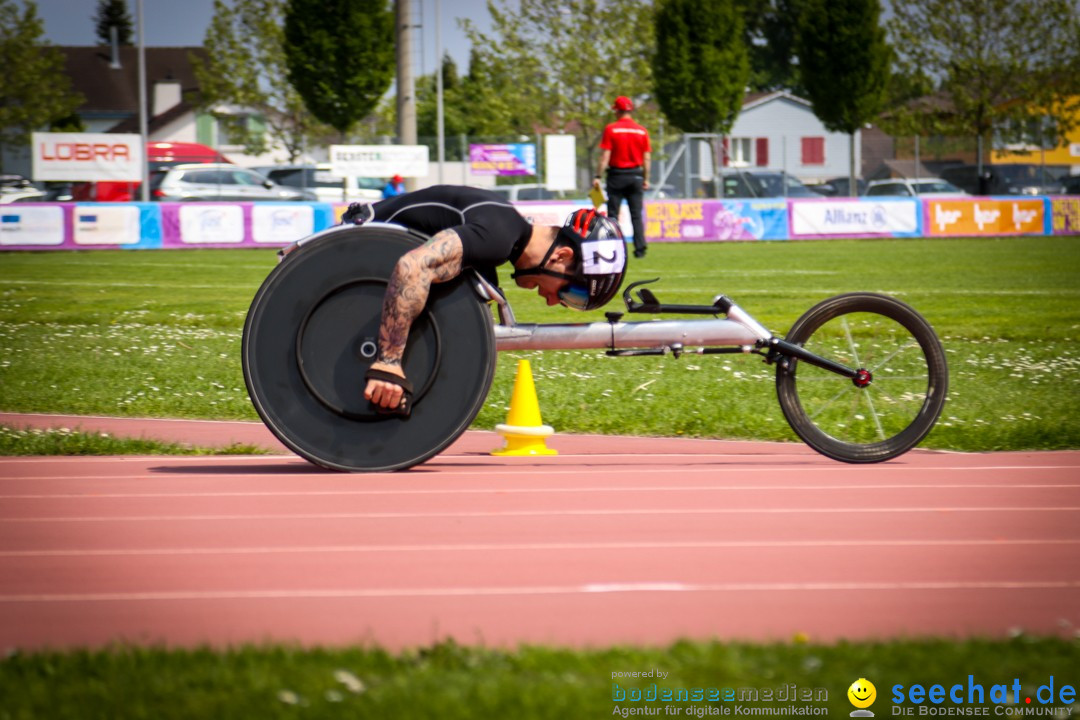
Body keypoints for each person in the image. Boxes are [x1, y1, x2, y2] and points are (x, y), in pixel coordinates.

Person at [340, 185, 628, 413]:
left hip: (355, 264)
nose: (554, 302)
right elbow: (412, 267)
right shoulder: (497, 236)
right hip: (339, 259)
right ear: (561, 256)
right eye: (570, 292)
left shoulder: (502, 237)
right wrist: (388, 362)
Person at [593, 95, 651, 259]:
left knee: (613, 215)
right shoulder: (642, 131)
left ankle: (614, 249)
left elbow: (605, 156)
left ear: (617, 111)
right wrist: (646, 178)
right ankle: (640, 250)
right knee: (636, 215)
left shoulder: (611, 129)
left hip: (617, 175)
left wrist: (598, 175)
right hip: (636, 175)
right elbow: (647, 158)